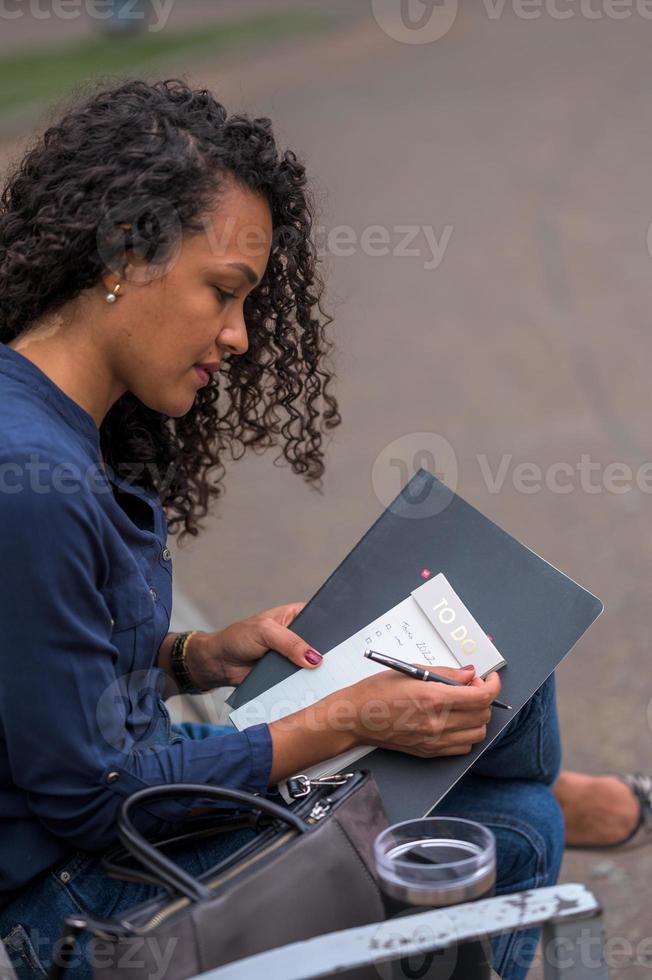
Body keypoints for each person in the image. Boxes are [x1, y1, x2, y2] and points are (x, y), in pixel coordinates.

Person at [0, 78, 564, 980]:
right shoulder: (28, 477)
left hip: (118, 798)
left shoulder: (44, 418)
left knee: (503, 689)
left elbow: (32, 660)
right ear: (121, 254)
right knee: (513, 828)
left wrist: (194, 656)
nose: (240, 337)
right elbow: (89, 799)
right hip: (81, 903)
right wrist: (341, 716)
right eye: (225, 292)